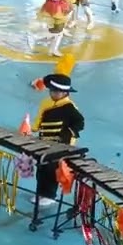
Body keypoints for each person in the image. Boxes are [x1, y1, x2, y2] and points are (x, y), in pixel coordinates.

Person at [32, 55, 85, 209]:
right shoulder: (48, 103)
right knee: (41, 167)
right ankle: (41, 192)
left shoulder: (70, 108)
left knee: (52, 170)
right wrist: (34, 131)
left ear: (65, 93)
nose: (52, 94)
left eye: (56, 91)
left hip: (60, 146)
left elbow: (79, 123)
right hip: (44, 142)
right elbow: (41, 120)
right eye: (51, 91)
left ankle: (49, 195)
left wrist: (65, 136)